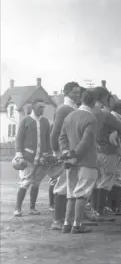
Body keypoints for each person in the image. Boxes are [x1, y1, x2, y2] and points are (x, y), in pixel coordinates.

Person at [90, 87, 121, 220]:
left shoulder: (89, 112)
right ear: (104, 98)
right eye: (109, 98)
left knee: (97, 180)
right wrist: (118, 134)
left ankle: (96, 209)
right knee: (107, 179)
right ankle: (100, 209)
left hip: (95, 150)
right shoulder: (105, 114)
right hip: (108, 150)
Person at [59, 89, 98, 234]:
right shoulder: (91, 118)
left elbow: (61, 137)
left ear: (81, 100)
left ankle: (66, 224)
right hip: (86, 161)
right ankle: (77, 225)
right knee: (81, 193)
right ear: (94, 102)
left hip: (70, 161)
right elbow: (86, 142)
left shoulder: (69, 116)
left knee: (71, 193)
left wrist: (65, 152)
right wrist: (75, 154)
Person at [49, 81, 81, 230]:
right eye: (74, 92)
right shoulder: (63, 109)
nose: (77, 94)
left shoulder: (73, 108)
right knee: (62, 185)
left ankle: (67, 218)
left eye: (78, 92)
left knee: (71, 184)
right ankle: (57, 220)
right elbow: (55, 133)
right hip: (65, 152)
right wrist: (57, 152)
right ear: (66, 92)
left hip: (72, 152)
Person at [13, 99, 52, 217]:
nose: (42, 109)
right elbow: (19, 138)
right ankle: (17, 208)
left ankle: (32, 208)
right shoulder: (26, 120)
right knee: (25, 182)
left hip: (41, 158)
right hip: (28, 157)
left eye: (43, 107)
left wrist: (49, 154)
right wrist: (19, 154)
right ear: (33, 107)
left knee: (36, 183)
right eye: (40, 107)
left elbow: (47, 140)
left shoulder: (45, 122)